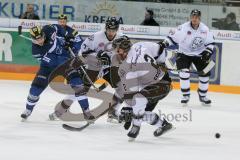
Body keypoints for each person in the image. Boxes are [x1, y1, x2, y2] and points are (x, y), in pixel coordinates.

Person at [49, 17, 123, 122]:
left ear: (117, 29)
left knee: (122, 88)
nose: (111, 32)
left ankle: (113, 112)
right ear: (105, 28)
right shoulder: (96, 37)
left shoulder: (122, 38)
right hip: (94, 67)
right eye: (109, 30)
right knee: (81, 89)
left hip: (110, 68)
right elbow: (82, 53)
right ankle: (60, 111)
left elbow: (126, 56)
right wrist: (97, 55)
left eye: (113, 30)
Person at [20, 25, 94, 121]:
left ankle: (86, 111)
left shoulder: (48, 29)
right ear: (32, 39)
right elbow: (53, 61)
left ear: (43, 33)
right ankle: (28, 110)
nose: (40, 41)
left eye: (41, 37)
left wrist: (66, 37)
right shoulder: (36, 51)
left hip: (65, 63)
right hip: (48, 67)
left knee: (78, 85)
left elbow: (59, 28)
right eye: (37, 39)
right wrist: (68, 57)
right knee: (35, 90)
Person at [111, 35, 173, 140]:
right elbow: (160, 48)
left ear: (124, 48)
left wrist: (130, 114)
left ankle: (136, 126)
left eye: (118, 50)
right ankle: (163, 124)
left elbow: (132, 96)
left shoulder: (126, 67)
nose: (116, 53)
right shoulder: (140, 45)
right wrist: (162, 62)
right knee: (139, 112)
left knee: (136, 106)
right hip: (161, 83)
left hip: (160, 86)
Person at [162, 9, 215, 105]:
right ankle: (185, 95)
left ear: (199, 18)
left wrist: (207, 52)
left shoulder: (205, 29)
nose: (194, 19)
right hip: (183, 53)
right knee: (184, 73)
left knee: (205, 74)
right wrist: (163, 44)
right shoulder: (183, 27)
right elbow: (172, 38)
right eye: (193, 16)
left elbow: (210, 43)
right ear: (190, 17)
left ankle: (203, 95)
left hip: (199, 54)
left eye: (197, 17)